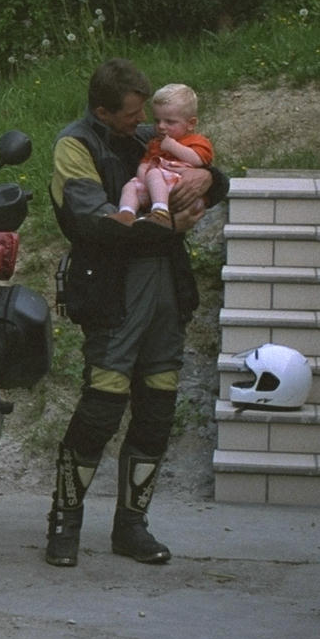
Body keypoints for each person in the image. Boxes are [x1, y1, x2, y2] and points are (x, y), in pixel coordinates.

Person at [46, 58, 226, 568]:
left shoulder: (146, 134)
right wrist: (167, 227)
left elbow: (213, 171)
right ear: (102, 110)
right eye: (131, 112)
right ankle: (64, 524)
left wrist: (207, 179)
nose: (143, 119)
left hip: (166, 288)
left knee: (158, 408)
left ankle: (131, 527)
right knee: (101, 406)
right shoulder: (75, 145)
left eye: (147, 110)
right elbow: (91, 220)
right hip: (111, 288)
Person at [108, 83, 214, 228]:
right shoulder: (155, 143)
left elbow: (198, 160)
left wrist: (173, 147)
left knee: (154, 173)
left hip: (179, 187)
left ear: (191, 123)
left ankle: (160, 212)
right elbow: (145, 163)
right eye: (157, 121)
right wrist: (142, 176)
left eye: (170, 122)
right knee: (130, 185)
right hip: (155, 187)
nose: (161, 126)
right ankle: (126, 214)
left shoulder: (197, 140)